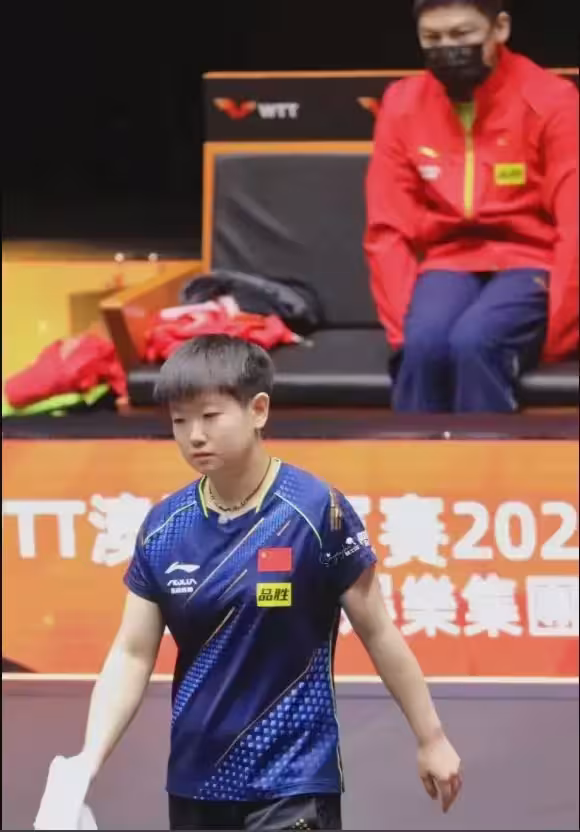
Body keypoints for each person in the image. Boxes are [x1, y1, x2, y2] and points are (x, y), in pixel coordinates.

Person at [37, 335, 462, 831]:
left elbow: (379, 631)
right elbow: (132, 654)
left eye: (210, 416)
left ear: (258, 410)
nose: (194, 435)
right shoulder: (164, 527)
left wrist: (432, 737)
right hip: (197, 781)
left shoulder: (316, 511)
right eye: (179, 421)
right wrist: (87, 760)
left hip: (293, 778)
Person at [365, 0, 579, 413]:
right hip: (449, 260)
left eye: (462, 34)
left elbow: (574, 222)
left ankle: (488, 456)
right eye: (432, 38)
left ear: (500, 28)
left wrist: (561, 330)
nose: (448, 48)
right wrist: (404, 328)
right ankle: (414, 456)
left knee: (476, 341)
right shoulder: (403, 103)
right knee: (423, 345)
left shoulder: (551, 100)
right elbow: (387, 226)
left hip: (532, 259)